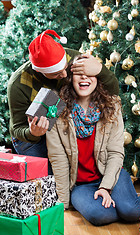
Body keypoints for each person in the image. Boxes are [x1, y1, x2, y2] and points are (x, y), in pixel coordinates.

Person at [46, 55, 140, 226]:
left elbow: (115, 152)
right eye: (78, 72)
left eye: (89, 72)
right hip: (80, 185)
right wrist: (63, 201)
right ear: (69, 77)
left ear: (98, 76)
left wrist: (105, 187)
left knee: (130, 210)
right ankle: (123, 202)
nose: (84, 77)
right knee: (101, 216)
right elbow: (57, 158)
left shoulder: (112, 106)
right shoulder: (55, 108)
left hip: (111, 174)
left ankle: (132, 202)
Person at [7, 29, 119, 174]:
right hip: (31, 138)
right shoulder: (18, 85)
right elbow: (16, 129)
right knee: (47, 178)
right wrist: (32, 133)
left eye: (65, 68)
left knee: (75, 175)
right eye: (57, 74)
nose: (65, 75)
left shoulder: (73, 59)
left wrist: (100, 70)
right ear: (41, 71)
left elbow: (113, 93)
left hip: (63, 127)